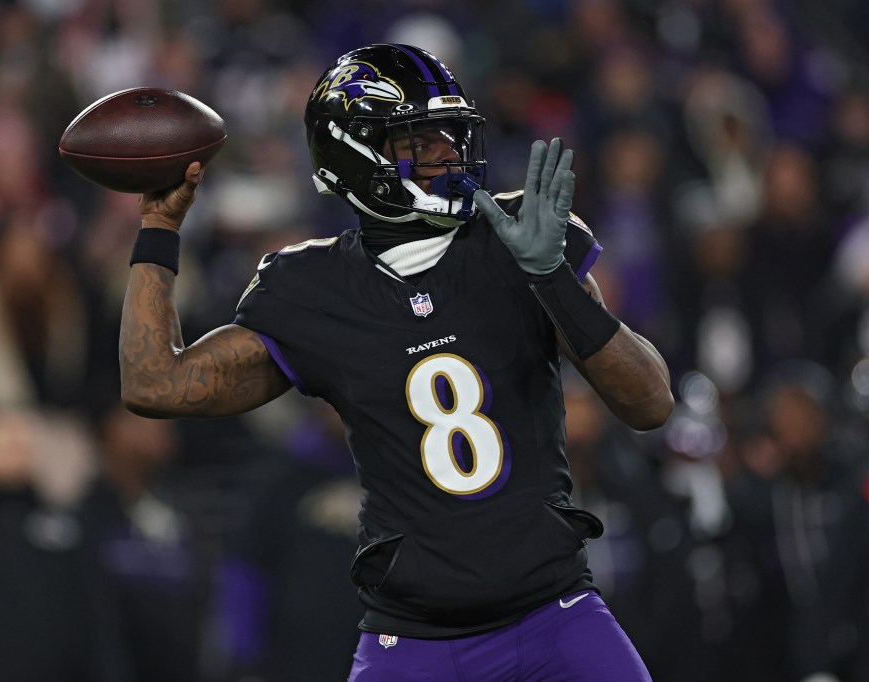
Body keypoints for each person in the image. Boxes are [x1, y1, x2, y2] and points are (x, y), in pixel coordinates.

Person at [118, 44, 674, 681]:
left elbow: (651, 403)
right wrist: (159, 226)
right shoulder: (310, 288)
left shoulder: (520, 237)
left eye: (451, 133)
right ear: (355, 156)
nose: (447, 151)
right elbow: (155, 383)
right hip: (415, 643)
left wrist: (552, 280)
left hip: (555, 614)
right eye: (418, 138)